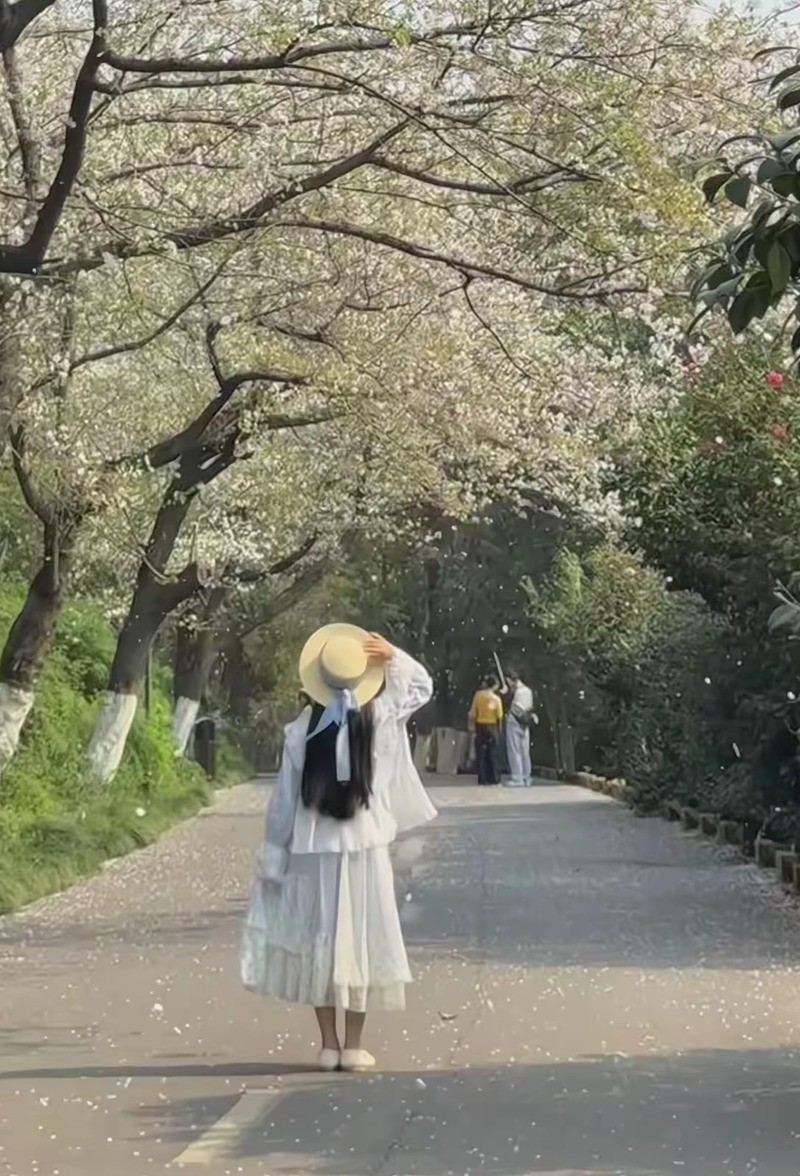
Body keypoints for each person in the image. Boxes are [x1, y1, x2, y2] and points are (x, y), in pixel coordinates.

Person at [241, 624, 436, 1073]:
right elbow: (420, 687)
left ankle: (327, 1045)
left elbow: (284, 802)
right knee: (360, 940)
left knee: (320, 941)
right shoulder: (380, 718)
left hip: (313, 851)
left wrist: (274, 852)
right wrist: (393, 654)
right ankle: (354, 1046)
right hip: (363, 847)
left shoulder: (300, 731)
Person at [468, 676, 503, 785]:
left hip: (480, 725)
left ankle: (482, 778)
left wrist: (471, 726)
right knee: (493, 753)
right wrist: (499, 730)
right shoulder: (496, 699)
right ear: (495, 685)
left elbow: (473, 713)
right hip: (492, 725)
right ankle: (494, 778)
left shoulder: (478, 696)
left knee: (481, 753)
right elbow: (499, 716)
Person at [502, 669, 533, 788]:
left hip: (515, 721)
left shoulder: (517, 692)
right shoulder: (528, 691)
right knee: (524, 751)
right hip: (525, 722)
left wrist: (505, 693)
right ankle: (526, 777)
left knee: (514, 750)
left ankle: (517, 777)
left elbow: (509, 704)